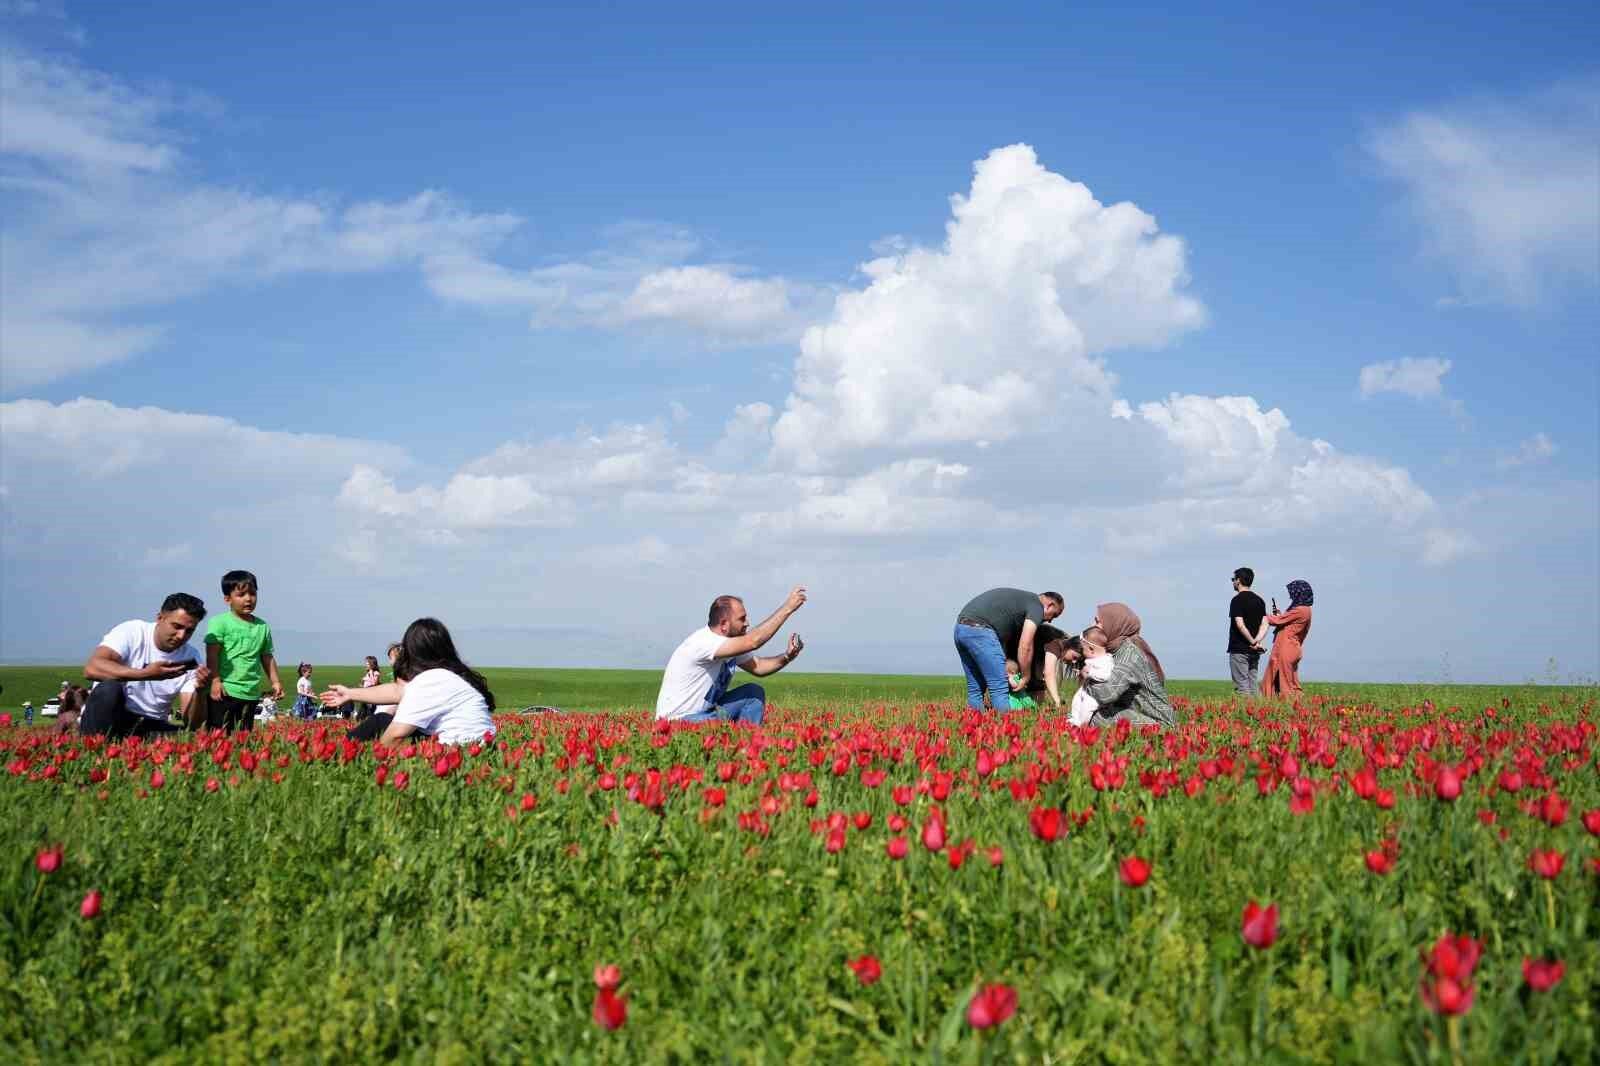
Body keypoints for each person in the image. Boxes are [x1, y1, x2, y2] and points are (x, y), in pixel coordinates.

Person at [324, 619, 494, 746]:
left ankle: (339, 753)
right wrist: (349, 693)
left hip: (456, 750)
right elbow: (398, 691)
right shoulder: (447, 676)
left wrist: (376, 760)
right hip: (480, 747)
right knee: (383, 720)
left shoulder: (430, 680)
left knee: (380, 721)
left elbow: (395, 735)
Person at [654, 587, 807, 725]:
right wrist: (787, 608)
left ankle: (747, 743)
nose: (747, 623)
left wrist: (787, 656)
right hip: (678, 721)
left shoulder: (729, 644)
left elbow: (759, 667)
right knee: (715, 725)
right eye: (742, 619)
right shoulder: (705, 642)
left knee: (753, 693)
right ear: (724, 624)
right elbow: (753, 641)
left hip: (707, 714)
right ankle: (733, 741)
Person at [81, 593, 214, 737]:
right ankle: (96, 742)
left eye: (189, 631)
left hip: (151, 723)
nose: (181, 636)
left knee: (190, 737)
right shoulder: (132, 631)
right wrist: (146, 674)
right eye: (177, 626)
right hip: (114, 715)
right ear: (160, 618)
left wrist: (201, 692)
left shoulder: (192, 658)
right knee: (109, 688)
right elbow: (92, 668)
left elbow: (193, 724)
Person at [953, 588, 1064, 712]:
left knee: (976, 689)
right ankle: (1004, 729)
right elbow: (1025, 645)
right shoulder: (1037, 607)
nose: (1050, 621)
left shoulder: (1023, 599)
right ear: (1049, 605)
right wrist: (1026, 676)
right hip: (981, 631)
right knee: (1000, 688)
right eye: (1054, 615)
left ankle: (976, 727)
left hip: (961, 629)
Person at [204, 570, 282, 732]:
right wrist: (215, 681)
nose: (248, 599)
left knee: (243, 737)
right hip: (225, 690)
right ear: (227, 599)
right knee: (218, 736)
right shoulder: (219, 623)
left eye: (252, 593)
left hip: (251, 692)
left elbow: (266, 656)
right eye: (241, 594)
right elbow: (212, 655)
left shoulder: (262, 626)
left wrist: (275, 681)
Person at [1077, 602, 1176, 728]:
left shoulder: (1130, 654)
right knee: (1088, 711)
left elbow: (1107, 694)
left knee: (1095, 716)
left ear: (1114, 623)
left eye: (1097, 621)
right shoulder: (1115, 651)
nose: (1093, 626)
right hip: (1140, 715)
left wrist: (1088, 677)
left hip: (1159, 725)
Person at [1261, 580, 1314, 701]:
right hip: (1292, 647)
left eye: (1293, 592)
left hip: (1285, 648)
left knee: (1285, 683)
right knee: (1289, 680)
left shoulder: (1300, 610)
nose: (1291, 595)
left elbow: (1277, 621)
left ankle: (1286, 705)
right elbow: (1286, 621)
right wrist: (1280, 615)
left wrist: (1260, 613)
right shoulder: (1306, 610)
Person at [1227, 567, 1269, 696]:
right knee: (1253, 685)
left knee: (1242, 687)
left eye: (1233, 579)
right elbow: (1265, 623)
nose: (1233, 582)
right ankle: (1259, 712)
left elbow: (1240, 625)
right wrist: (1257, 641)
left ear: (1238, 581)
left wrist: (1251, 641)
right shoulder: (1259, 600)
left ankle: (1245, 714)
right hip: (1254, 650)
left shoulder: (1237, 600)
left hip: (1239, 649)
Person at [1068, 626, 1115, 726]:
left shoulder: (1105, 661)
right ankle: (1074, 719)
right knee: (1076, 699)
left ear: (1091, 649)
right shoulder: (1095, 658)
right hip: (1087, 689)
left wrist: (1090, 672)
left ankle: (1082, 725)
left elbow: (1105, 675)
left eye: (1082, 649)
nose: (1082, 652)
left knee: (1087, 707)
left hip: (1095, 695)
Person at [357, 655, 382, 720]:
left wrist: (371, 672)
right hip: (366, 694)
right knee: (362, 711)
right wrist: (362, 686)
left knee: (370, 711)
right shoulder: (367, 673)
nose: (366, 665)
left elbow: (374, 683)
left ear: (372, 664)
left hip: (371, 695)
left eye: (367, 664)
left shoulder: (376, 673)